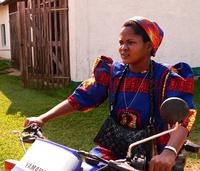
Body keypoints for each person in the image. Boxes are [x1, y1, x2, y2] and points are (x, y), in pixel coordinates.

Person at [24, 16, 197, 171]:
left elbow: (184, 118)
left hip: (152, 156)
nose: (123, 48)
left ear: (149, 46)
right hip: (111, 148)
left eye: (131, 42)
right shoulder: (112, 72)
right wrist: (42, 118)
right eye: (121, 42)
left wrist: (170, 152)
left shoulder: (167, 76)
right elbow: (82, 97)